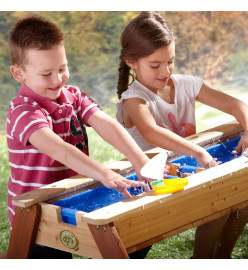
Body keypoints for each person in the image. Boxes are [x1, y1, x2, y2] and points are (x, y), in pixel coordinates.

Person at [7, 16, 154, 259]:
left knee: (134, 236)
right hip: (35, 214)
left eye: (62, 69)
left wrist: (140, 160)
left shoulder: (73, 95)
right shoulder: (23, 110)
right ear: (18, 73)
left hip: (71, 199)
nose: (57, 80)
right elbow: (59, 149)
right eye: (46, 74)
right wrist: (105, 173)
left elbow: (106, 124)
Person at [116, 11, 248, 259]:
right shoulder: (134, 99)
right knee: (219, 205)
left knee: (242, 199)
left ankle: (223, 258)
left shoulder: (187, 85)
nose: (165, 71)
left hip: (188, 167)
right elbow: (151, 133)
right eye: (155, 65)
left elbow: (237, 105)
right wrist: (199, 151)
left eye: (170, 61)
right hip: (153, 179)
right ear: (131, 62)